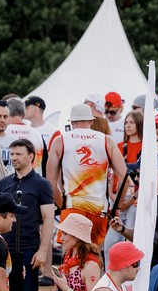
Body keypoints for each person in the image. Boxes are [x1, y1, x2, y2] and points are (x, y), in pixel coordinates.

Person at [0, 138, 55, 291]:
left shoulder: (42, 184)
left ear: (31, 156)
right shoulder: (3, 183)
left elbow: (48, 218)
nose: (14, 158)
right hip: (4, 248)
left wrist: (43, 251)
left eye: (18, 154)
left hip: (29, 248)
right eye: (12, 154)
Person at [46, 103, 127, 245]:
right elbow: (125, 178)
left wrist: (61, 205)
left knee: (71, 256)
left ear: (71, 122)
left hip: (72, 207)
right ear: (92, 121)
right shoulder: (107, 141)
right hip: (98, 209)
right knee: (93, 255)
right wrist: (117, 208)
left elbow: (50, 181)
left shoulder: (60, 141)